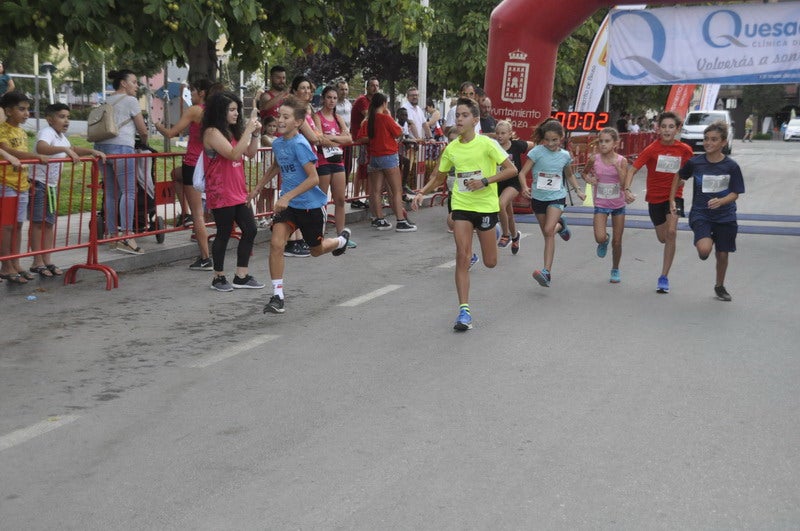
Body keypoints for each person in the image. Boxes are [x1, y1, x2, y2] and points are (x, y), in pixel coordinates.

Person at [411, 97, 517, 331]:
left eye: (464, 115)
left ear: (475, 120)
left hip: (486, 208)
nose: (459, 119)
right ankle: (464, 311)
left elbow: (512, 170)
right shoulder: (452, 148)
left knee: (490, 262)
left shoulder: (487, 144)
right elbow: (438, 176)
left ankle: (493, 230)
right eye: (457, 115)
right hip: (461, 206)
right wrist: (422, 192)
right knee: (463, 254)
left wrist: (485, 181)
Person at [255, 96, 351, 314]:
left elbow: (313, 179)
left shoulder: (300, 144)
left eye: (286, 117)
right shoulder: (278, 143)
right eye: (279, 116)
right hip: (289, 207)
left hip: (310, 206)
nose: (280, 120)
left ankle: (340, 241)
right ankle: (277, 296)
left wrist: (286, 197)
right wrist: (258, 187)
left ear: (298, 122)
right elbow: (278, 165)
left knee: (316, 251)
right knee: (276, 244)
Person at [29, 103, 106, 277]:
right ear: (50, 119)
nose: (66, 120)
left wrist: (91, 151)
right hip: (40, 183)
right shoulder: (46, 132)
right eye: (62, 117)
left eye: (68, 117)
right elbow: (42, 148)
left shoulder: (61, 137)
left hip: (52, 185)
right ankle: (37, 261)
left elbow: (72, 149)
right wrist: (64, 149)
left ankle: (47, 260)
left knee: (49, 223)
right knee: (38, 223)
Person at [671, 121, 744, 301]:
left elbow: (735, 193)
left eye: (714, 139)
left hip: (725, 214)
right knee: (704, 251)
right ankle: (706, 239)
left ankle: (719, 286)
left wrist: (721, 201)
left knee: (722, 253)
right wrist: (672, 199)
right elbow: (679, 175)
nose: (708, 143)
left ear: (723, 143)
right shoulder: (695, 162)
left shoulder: (731, 166)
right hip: (701, 213)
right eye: (706, 139)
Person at [623, 111, 693, 293]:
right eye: (664, 126)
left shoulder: (685, 150)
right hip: (654, 198)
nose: (667, 130)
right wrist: (627, 189)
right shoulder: (652, 149)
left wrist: (685, 179)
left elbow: (693, 170)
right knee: (663, 237)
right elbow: (632, 170)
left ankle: (664, 277)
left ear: (677, 129)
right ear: (658, 129)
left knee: (671, 232)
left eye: (671, 127)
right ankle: (665, 256)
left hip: (674, 196)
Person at [202, 91, 265, 292]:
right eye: (231, 110)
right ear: (220, 111)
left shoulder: (232, 131)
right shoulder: (212, 132)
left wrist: (255, 134)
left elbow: (250, 153)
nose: (236, 114)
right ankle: (218, 277)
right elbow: (232, 154)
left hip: (238, 190)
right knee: (223, 233)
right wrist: (248, 129)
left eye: (237, 110)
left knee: (250, 229)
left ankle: (241, 275)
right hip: (221, 191)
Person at [156, 78, 215, 270]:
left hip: (193, 162)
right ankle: (186, 213)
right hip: (209, 162)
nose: (191, 94)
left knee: (198, 215)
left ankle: (205, 257)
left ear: (202, 93)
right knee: (175, 174)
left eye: (193, 91)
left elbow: (172, 133)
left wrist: (158, 127)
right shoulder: (215, 110)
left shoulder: (195, 110)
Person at [520, 119, 586, 287]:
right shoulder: (536, 152)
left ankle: (546, 272)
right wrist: (524, 187)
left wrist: (578, 189)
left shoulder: (564, 156)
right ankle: (561, 226)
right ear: (543, 138)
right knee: (547, 232)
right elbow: (522, 173)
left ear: (561, 137)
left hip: (557, 196)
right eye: (547, 139)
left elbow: (569, 175)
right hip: (538, 198)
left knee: (548, 230)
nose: (550, 143)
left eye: (554, 140)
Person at [94, 69, 150, 255]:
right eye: (134, 82)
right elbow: (142, 128)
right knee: (129, 191)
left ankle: (112, 235)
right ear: (124, 83)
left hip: (101, 149)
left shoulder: (106, 100)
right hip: (122, 149)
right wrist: (144, 140)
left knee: (111, 193)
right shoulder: (131, 101)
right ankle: (126, 235)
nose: (136, 86)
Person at [0, 92, 49, 284]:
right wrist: (34, 156)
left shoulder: (21, 132)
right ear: (8, 111)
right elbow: (9, 151)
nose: (26, 113)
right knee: (7, 227)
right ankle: (6, 265)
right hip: (6, 185)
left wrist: (28, 181)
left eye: (27, 109)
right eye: (22, 109)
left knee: (19, 225)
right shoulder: (2, 130)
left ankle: (16, 262)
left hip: (21, 184)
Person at [357, 92, 417, 232]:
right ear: (384, 103)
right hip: (388, 156)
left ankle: (379, 219)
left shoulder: (368, 120)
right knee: (396, 190)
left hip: (374, 157)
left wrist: (373, 139)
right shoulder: (385, 118)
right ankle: (400, 220)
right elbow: (398, 132)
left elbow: (360, 138)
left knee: (375, 191)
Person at [582, 127, 631, 283]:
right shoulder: (594, 159)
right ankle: (604, 240)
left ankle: (615, 268)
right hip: (601, 203)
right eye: (601, 141)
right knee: (599, 237)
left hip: (618, 204)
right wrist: (589, 179)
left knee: (618, 241)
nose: (603, 144)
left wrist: (619, 170)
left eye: (607, 141)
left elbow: (624, 185)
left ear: (615, 143)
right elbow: (584, 173)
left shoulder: (622, 161)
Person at [313, 85, 355, 247]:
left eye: (335, 98)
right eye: (329, 97)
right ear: (323, 98)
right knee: (321, 201)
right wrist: (338, 138)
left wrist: (330, 138)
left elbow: (349, 139)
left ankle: (341, 236)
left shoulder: (338, 118)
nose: (332, 101)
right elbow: (319, 139)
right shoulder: (318, 117)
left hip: (338, 162)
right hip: (323, 161)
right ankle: (319, 236)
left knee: (339, 200)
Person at [493, 120, 531, 256]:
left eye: (503, 133)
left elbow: (534, 146)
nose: (500, 136)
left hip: (513, 182)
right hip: (498, 182)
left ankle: (505, 234)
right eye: (497, 133)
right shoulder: (493, 146)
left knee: (500, 204)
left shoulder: (517, 145)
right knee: (508, 213)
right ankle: (515, 236)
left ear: (510, 134)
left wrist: (536, 160)